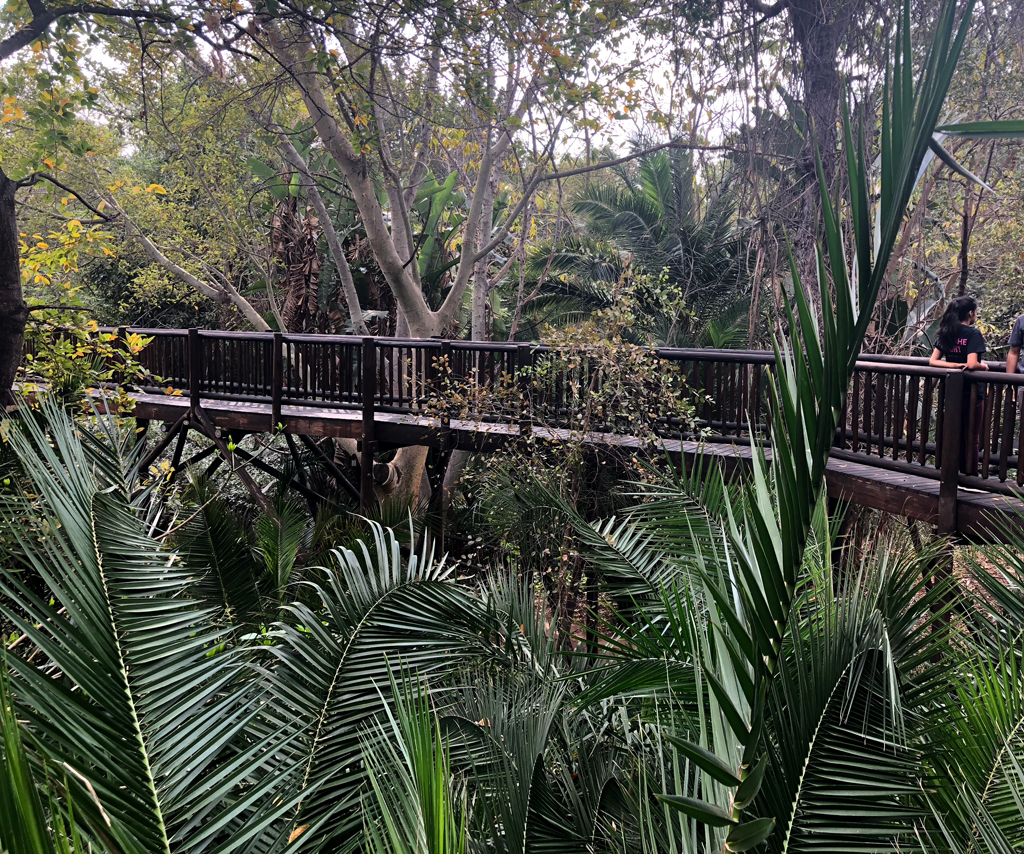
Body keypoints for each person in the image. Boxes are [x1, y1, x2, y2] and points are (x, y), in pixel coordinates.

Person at [929, 296, 988, 474]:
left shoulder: (947, 332)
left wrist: (953, 365)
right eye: (976, 312)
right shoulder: (972, 334)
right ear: (970, 313)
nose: (976, 315)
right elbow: (971, 364)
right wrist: (984, 366)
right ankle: (970, 475)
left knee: (955, 433)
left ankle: (952, 472)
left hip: (951, 392)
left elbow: (933, 361)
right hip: (971, 393)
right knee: (972, 436)